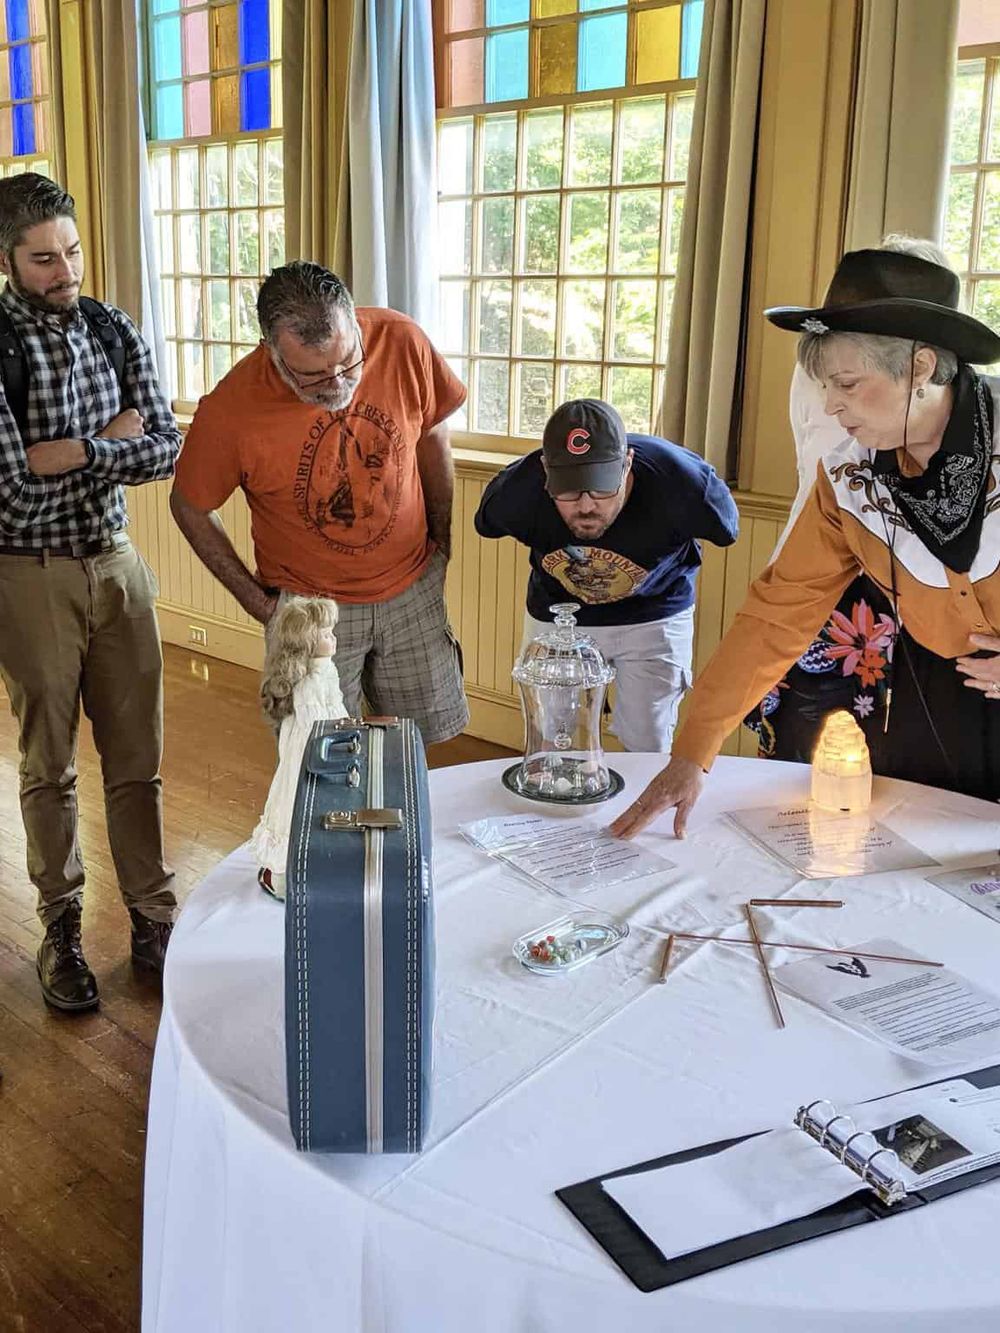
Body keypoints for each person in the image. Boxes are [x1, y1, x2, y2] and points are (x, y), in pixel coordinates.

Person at [613, 247, 1000, 839]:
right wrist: (693, 753)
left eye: (847, 383)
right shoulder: (847, 478)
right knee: (920, 854)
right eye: (824, 385)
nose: (829, 405)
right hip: (932, 698)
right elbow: (776, 615)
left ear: (920, 367)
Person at [0, 173, 181, 1010]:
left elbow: (165, 447)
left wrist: (73, 450)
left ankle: (153, 916)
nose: (65, 270)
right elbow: (9, 492)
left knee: (138, 758)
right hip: (26, 572)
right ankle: (61, 925)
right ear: (7, 260)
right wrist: (112, 441)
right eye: (44, 259)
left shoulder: (113, 327)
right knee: (50, 764)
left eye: (72, 252)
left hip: (118, 561)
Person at [170, 261, 469, 747]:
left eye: (348, 361)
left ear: (354, 322)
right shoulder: (230, 409)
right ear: (271, 352)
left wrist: (441, 544)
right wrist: (261, 604)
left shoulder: (401, 340)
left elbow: (433, 435)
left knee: (416, 745)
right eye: (311, 376)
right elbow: (189, 508)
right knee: (317, 757)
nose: (336, 383)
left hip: (412, 586)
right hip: (309, 610)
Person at [743, 237, 949, 764]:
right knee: (815, 745)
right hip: (837, 567)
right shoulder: (835, 373)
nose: (835, 401)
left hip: (909, 585)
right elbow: (820, 464)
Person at [474, 399, 739, 752]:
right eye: (568, 491)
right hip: (559, 614)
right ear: (545, 470)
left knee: (648, 741)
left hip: (654, 614)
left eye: (601, 488)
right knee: (550, 736)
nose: (586, 505)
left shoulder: (682, 483)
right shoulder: (515, 494)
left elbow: (727, 530)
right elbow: (485, 524)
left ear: (627, 463)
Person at [251, 596, 348, 900]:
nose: (333, 638)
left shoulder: (326, 670)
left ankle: (317, 866)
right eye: (325, 634)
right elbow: (314, 726)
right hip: (308, 755)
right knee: (296, 806)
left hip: (328, 743)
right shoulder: (308, 683)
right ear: (307, 642)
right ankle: (283, 874)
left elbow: (336, 707)